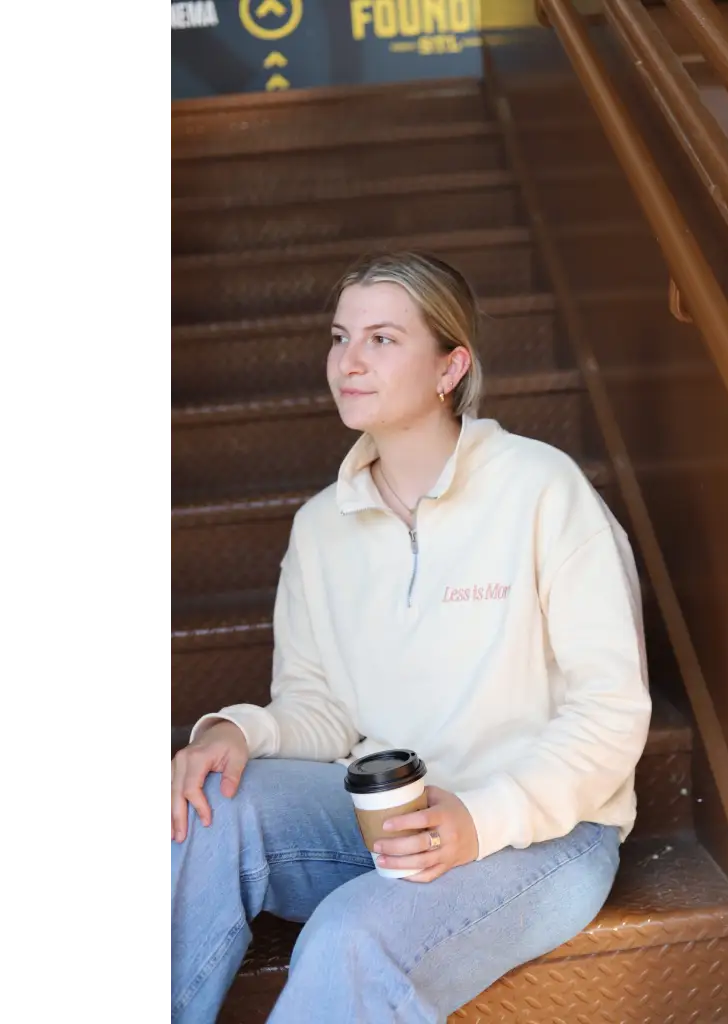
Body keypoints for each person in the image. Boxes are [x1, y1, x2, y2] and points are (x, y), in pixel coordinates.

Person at [168, 250, 652, 1023]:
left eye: (382, 340)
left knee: (350, 936)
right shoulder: (320, 527)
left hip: (546, 832)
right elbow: (320, 708)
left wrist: (481, 818)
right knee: (210, 803)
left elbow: (610, 711)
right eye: (339, 337)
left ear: (449, 367)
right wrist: (240, 729)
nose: (348, 362)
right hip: (391, 817)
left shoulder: (541, 489)